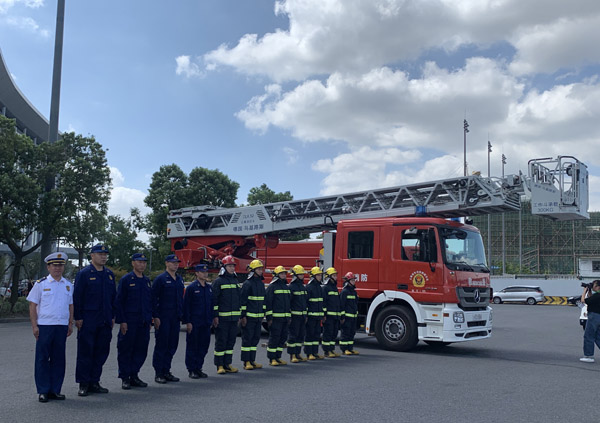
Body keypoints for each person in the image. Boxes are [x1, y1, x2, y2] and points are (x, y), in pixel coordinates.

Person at [27, 252, 73, 402]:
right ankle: (43, 390)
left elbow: (71, 305)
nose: (57, 268)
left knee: (58, 359)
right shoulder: (41, 284)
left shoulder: (68, 285)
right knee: (42, 359)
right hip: (45, 326)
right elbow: (33, 306)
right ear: (48, 267)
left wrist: (70, 323)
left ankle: (55, 389)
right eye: (54, 265)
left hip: (61, 326)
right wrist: (35, 326)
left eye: (60, 265)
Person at [73, 244, 116, 397]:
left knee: (101, 352)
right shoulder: (84, 274)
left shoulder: (109, 274)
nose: (103, 257)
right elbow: (77, 297)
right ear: (92, 256)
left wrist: (112, 316)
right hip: (88, 320)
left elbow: (113, 298)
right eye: (100, 254)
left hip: (104, 320)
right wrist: (77, 317)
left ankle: (94, 381)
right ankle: (84, 383)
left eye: (105, 254)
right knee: (86, 352)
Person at [115, 253, 152, 390]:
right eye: (139, 262)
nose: (142, 264)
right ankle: (125, 377)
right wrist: (122, 321)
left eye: (144, 262)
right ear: (133, 263)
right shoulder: (126, 279)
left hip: (143, 321)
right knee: (126, 349)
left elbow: (149, 302)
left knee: (141, 349)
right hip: (130, 321)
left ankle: (134, 375)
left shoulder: (146, 281)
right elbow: (119, 302)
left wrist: (150, 319)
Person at [151, 254, 185, 383]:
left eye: (177, 262)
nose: (175, 264)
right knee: (161, 345)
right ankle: (159, 373)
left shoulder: (179, 279)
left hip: (175, 318)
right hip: (163, 317)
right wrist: (155, 316)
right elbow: (154, 299)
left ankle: (166, 370)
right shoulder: (161, 279)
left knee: (172, 345)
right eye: (172, 262)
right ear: (166, 263)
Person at [182, 263, 213, 379]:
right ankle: (191, 369)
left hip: (205, 322)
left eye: (206, 272)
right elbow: (186, 306)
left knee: (203, 346)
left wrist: (212, 319)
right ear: (197, 273)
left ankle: (199, 368)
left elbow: (211, 305)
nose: (205, 273)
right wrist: (188, 322)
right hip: (195, 322)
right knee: (192, 346)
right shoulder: (191, 288)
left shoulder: (209, 288)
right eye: (202, 272)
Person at [212, 255, 242, 374]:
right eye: (229, 266)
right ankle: (219, 365)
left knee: (231, 342)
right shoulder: (218, 282)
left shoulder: (235, 281)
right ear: (224, 267)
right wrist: (215, 316)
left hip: (233, 319)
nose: (232, 268)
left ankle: (227, 364)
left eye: (233, 266)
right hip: (222, 318)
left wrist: (239, 315)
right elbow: (214, 300)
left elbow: (238, 299)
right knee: (221, 341)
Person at [239, 259, 266, 370]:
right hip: (249, 317)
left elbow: (263, 301)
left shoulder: (260, 283)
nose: (260, 271)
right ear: (253, 270)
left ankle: (252, 360)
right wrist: (243, 316)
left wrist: (263, 314)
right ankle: (246, 362)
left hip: (258, 317)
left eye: (261, 269)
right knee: (247, 339)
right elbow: (243, 301)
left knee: (255, 339)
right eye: (258, 269)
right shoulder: (247, 284)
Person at [265, 266, 291, 366]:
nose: (284, 275)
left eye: (284, 273)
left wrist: (288, 317)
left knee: (283, 337)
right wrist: (269, 318)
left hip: (284, 318)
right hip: (276, 318)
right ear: (276, 275)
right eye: (281, 273)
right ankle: (272, 358)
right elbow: (268, 303)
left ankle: (278, 357)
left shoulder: (286, 286)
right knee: (274, 338)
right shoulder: (272, 287)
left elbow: (288, 303)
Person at [287, 265, 308, 363]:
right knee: (293, 336)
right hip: (294, 316)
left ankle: (298, 353)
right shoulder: (291, 287)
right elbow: (289, 303)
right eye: (300, 274)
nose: (302, 276)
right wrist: (289, 315)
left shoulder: (303, 287)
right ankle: (292, 355)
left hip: (302, 316)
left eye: (302, 274)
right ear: (295, 275)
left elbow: (305, 302)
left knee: (300, 335)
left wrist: (306, 315)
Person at [305, 266, 325, 360]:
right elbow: (306, 303)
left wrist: (322, 314)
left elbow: (321, 302)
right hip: (311, 316)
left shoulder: (319, 288)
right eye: (318, 275)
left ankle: (315, 352)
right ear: (313, 276)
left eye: (320, 275)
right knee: (310, 335)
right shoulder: (309, 288)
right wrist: (306, 315)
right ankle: (309, 353)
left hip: (318, 316)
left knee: (317, 335)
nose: (320, 277)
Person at [322, 267, 342, 358]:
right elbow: (324, 302)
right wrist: (324, 315)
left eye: (336, 275)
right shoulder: (326, 288)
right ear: (329, 277)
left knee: (334, 333)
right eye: (334, 275)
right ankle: (326, 351)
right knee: (328, 333)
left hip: (335, 316)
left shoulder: (334, 288)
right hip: (329, 316)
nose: (336, 277)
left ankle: (331, 349)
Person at [339, 272, 360, 355]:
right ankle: (344, 349)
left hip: (353, 316)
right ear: (348, 281)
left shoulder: (353, 292)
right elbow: (342, 305)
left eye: (354, 279)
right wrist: (342, 317)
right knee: (346, 333)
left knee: (352, 333)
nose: (354, 281)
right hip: (347, 317)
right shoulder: (344, 292)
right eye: (352, 280)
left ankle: (350, 348)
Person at [580, 280, 600, 363]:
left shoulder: (598, 296)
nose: (593, 287)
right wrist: (589, 290)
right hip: (598, 316)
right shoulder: (597, 296)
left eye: (594, 285)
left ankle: (588, 356)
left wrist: (584, 291)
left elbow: (583, 300)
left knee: (589, 335)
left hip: (594, 316)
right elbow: (591, 298)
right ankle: (589, 355)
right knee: (598, 336)